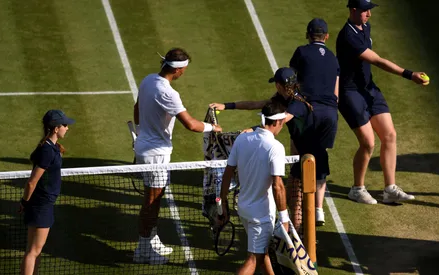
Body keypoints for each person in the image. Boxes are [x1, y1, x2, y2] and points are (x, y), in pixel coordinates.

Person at [133, 47, 222, 264]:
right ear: (179, 70)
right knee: (152, 202)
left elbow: (136, 109)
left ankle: (151, 241)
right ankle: (143, 249)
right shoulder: (168, 93)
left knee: (153, 199)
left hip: (146, 147)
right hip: (156, 155)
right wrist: (213, 128)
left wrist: (142, 132)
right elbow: (190, 124)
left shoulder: (148, 80)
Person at [336, 0, 428, 204]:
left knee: (389, 135)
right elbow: (377, 60)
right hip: (350, 93)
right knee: (368, 142)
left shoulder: (365, 26)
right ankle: (357, 189)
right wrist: (409, 74)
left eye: (370, 10)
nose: (369, 14)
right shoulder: (348, 36)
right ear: (353, 10)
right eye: (364, 10)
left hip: (369, 89)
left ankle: (389, 189)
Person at [210, 67, 314, 232]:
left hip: (308, 153)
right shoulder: (281, 98)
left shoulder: (297, 105)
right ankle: (294, 231)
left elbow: (279, 120)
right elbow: (256, 104)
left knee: (297, 197)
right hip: (298, 147)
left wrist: (253, 129)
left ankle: (297, 235)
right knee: (291, 196)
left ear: (280, 85)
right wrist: (226, 105)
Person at [219, 101, 289, 275]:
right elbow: (278, 185)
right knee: (254, 259)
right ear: (278, 122)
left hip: (244, 210)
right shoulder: (275, 147)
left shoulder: (242, 138)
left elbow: (228, 172)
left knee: (261, 252)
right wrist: (285, 218)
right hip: (261, 215)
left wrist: (222, 203)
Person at [287, 18, 340, 226]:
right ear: (326, 36)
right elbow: (336, 91)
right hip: (329, 114)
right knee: (320, 156)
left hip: (307, 112)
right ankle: (318, 210)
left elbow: (291, 80)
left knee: (298, 160)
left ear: (308, 35)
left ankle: (298, 214)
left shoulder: (301, 52)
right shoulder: (334, 58)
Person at [19, 110, 75, 275]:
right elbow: (32, 182)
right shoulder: (47, 151)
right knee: (33, 251)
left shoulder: (50, 147)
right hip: (41, 205)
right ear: (56, 128)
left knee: (34, 250)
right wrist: (24, 202)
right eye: (64, 125)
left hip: (41, 204)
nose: (67, 128)